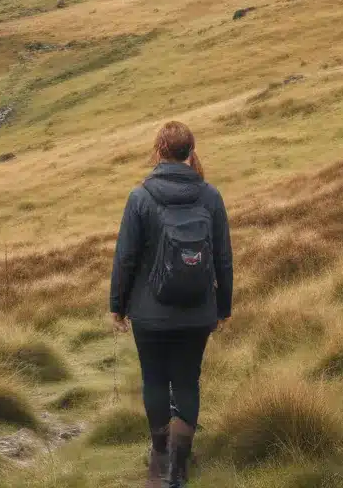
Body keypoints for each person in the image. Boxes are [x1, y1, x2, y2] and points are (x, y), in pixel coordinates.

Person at [110, 121, 234, 487]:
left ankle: (159, 462)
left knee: (154, 379)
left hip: (149, 315)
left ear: (159, 150)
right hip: (198, 313)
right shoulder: (210, 196)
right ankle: (178, 470)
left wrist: (117, 305)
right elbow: (223, 259)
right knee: (186, 382)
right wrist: (223, 308)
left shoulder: (140, 197)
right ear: (190, 152)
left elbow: (126, 258)